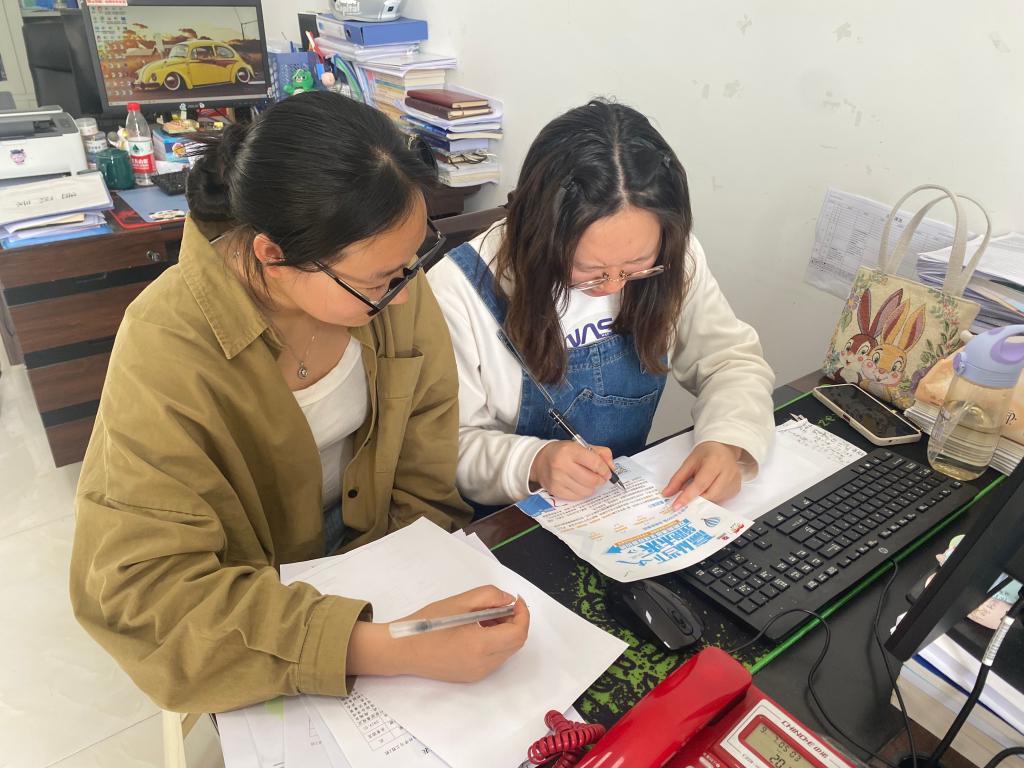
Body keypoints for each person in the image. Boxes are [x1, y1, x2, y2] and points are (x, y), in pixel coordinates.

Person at [69, 92, 528, 714]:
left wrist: (407, 576)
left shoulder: (391, 281)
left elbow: (426, 449)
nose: (403, 293)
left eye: (411, 263)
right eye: (378, 280)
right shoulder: (165, 345)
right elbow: (146, 594)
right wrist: (379, 646)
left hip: (382, 553)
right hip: (252, 600)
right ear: (272, 256)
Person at [427, 99, 775, 511]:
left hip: (626, 504)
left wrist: (727, 440)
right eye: (588, 269)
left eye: (635, 266)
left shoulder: (673, 257)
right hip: (512, 517)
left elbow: (729, 361)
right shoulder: (458, 290)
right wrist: (534, 461)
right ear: (539, 235)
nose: (612, 285)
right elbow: (446, 445)